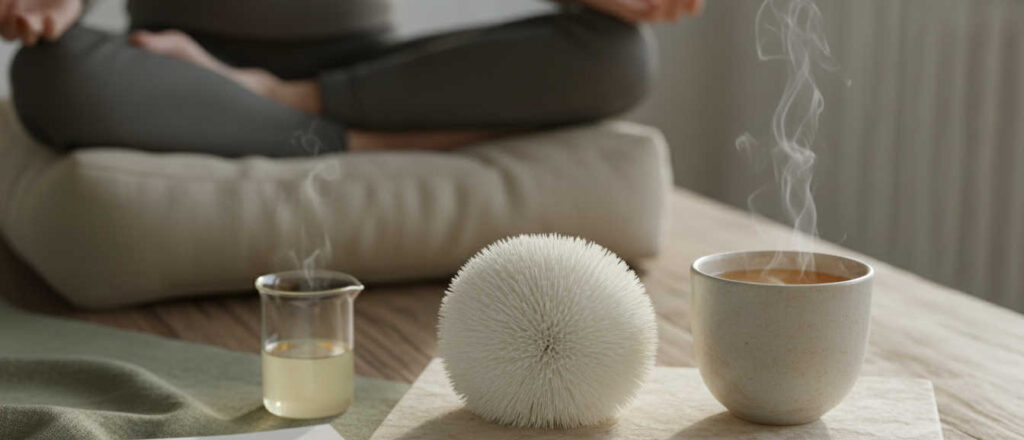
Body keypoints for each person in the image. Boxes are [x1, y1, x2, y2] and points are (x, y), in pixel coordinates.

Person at [2, 0, 702, 157]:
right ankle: (359, 137)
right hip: (178, 69)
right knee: (51, 74)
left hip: (369, 72)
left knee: (618, 55)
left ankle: (295, 109)